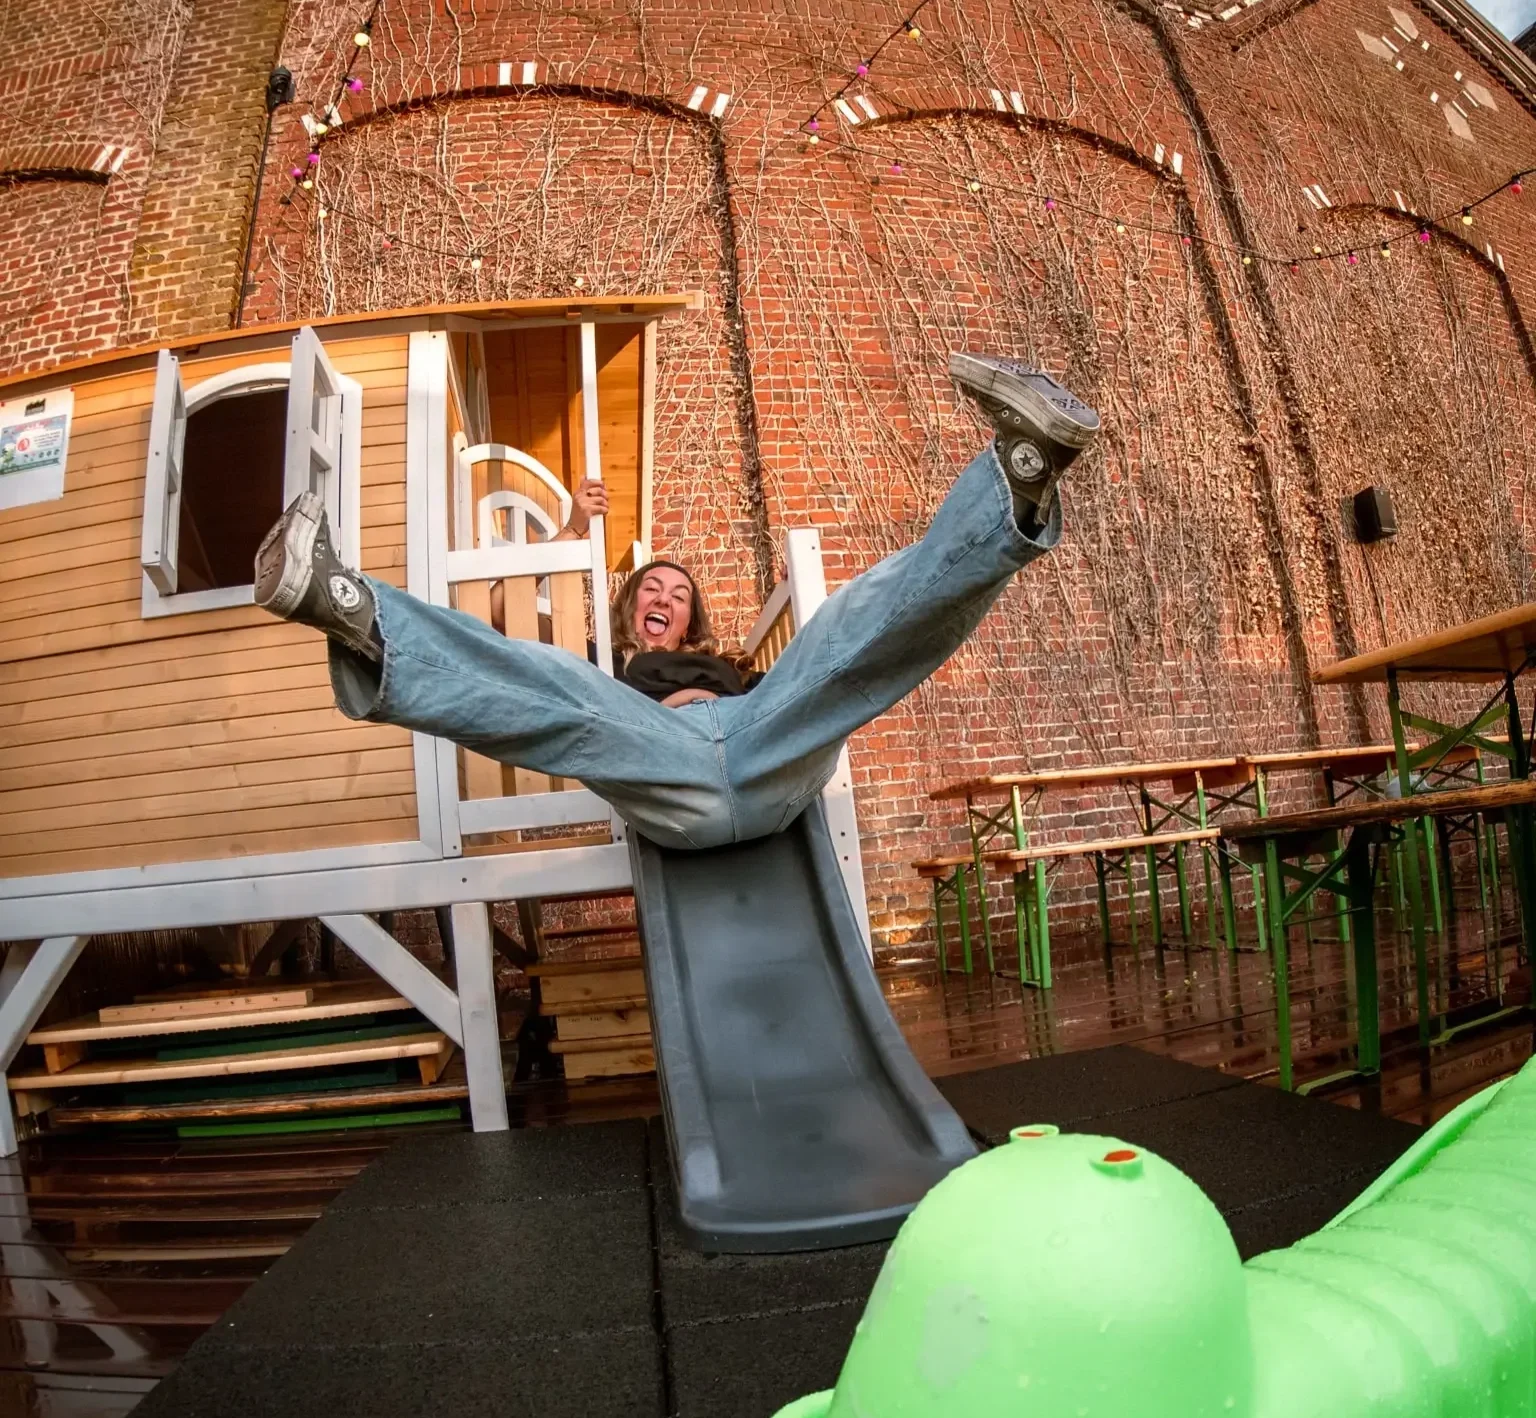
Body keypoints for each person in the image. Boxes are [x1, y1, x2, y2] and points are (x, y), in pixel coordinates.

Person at [253, 353, 1100, 851]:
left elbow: (811, 674)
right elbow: (532, 633)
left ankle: (1018, 479)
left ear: (694, 622)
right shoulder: (608, 663)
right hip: (662, 768)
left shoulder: (737, 667)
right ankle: (354, 614)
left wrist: (726, 696)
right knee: (559, 686)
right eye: (649, 589)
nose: (664, 597)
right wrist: (576, 526)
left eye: (680, 593)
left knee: (845, 629)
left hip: (771, 745)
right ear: (628, 611)